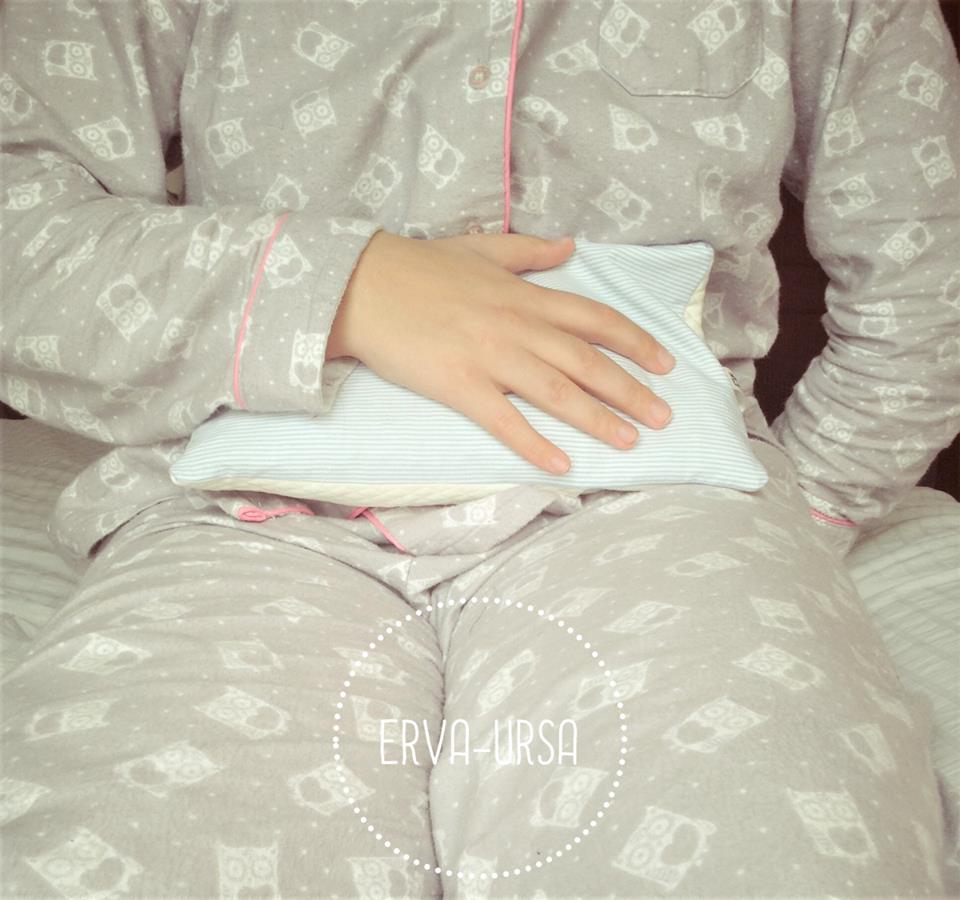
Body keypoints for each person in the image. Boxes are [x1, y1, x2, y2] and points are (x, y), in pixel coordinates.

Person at [1, 0, 958, 897]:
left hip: (662, 503)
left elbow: (929, 280)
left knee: (765, 841)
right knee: (132, 845)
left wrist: (809, 507)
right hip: (250, 509)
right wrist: (346, 288)